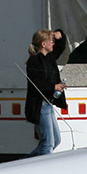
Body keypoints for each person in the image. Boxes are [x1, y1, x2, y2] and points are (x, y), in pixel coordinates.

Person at [25, 28, 66, 156]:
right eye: (51, 41)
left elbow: (61, 45)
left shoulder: (50, 57)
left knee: (56, 140)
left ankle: (25, 162)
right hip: (40, 105)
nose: (53, 43)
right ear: (43, 44)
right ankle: (44, 170)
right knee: (48, 143)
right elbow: (36, 82)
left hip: (48, 103)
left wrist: (57, 33)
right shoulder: (34, 61)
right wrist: (53, 87)